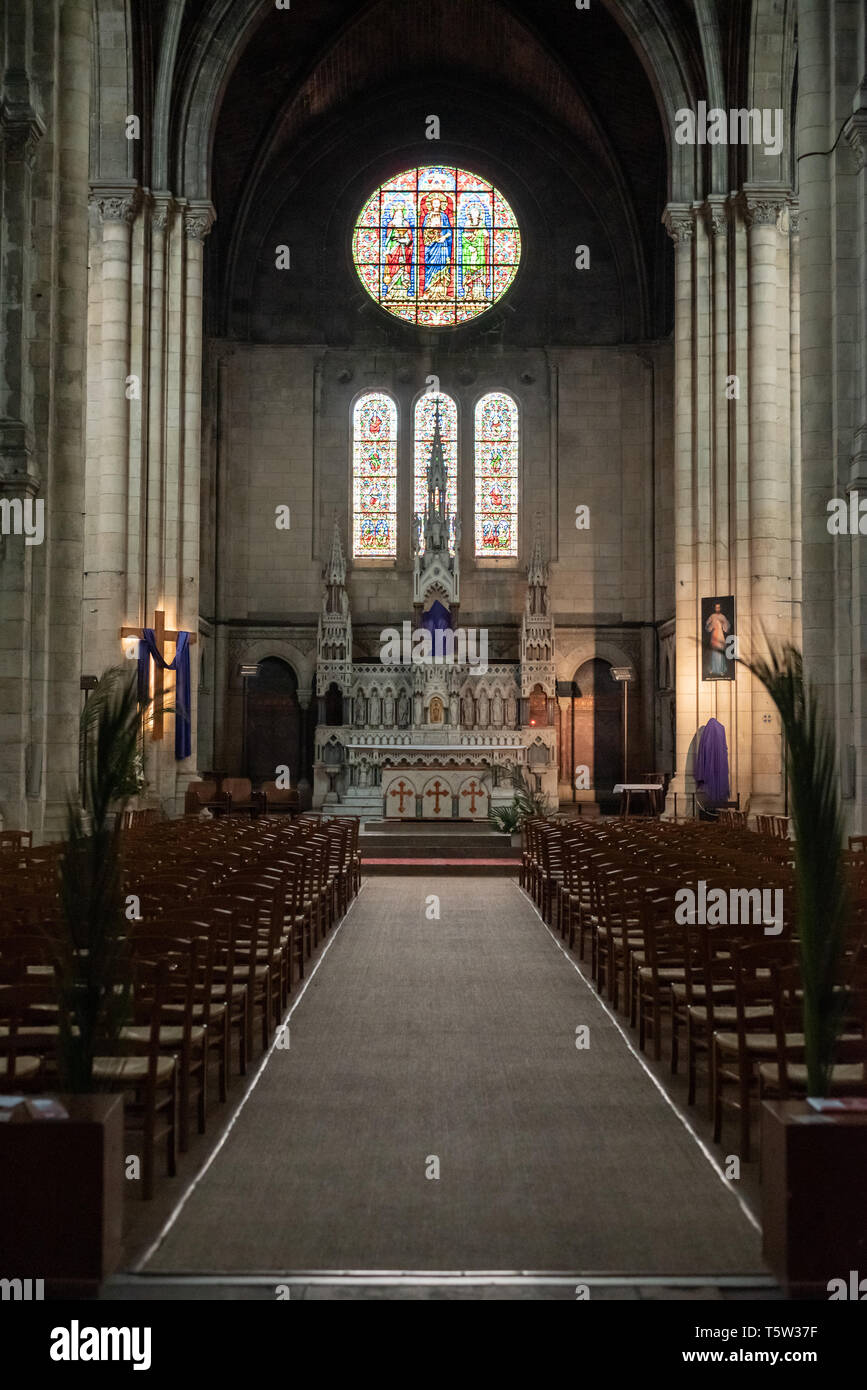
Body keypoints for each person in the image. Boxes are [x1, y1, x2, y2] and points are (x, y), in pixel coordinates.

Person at [705, 602, 731, 678]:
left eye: (719, 607)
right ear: (715, 608)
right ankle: (713, 668)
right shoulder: (712, 616)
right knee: (714, 652)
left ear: (720, 608)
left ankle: (721, 670)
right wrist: (710, 625)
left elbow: (726, 628)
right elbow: (707, 625)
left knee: (720, 653)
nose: (717, 609)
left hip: (720, 636)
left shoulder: (722, 617)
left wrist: (723, 623)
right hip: (714, 636)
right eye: (716, 607)